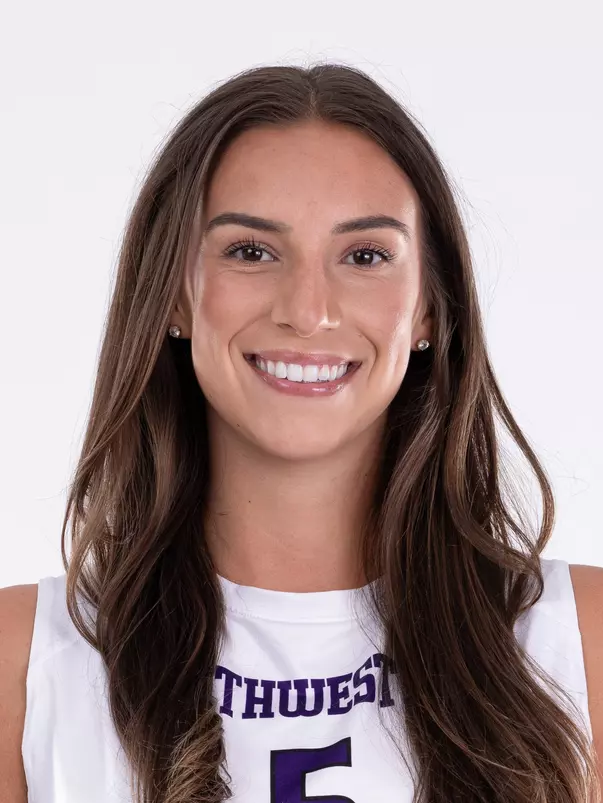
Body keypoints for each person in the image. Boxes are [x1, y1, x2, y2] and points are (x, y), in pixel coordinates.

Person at [0, 63, 601, 803]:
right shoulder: (25, 666)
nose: (308, 309)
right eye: (250, 251)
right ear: (174, 297)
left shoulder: (576, 645)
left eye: (364, 256)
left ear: (426, 311)